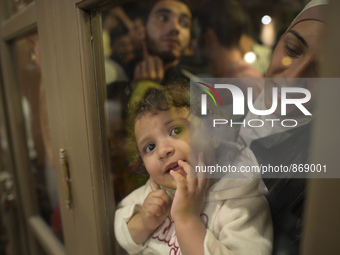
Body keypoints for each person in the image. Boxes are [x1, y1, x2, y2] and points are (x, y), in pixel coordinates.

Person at [114, 81, 272, 254]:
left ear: (214, 133)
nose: (162, 151)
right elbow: (122, 233)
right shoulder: (156, 192)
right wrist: (144, 222)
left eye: (176, 130)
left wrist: (187, 221)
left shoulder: (241, 205)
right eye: (150, 147)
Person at [238, 0, 328, 254]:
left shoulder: (317, 183)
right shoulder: (229, 107)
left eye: (322, 72)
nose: (294, 77)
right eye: (292, 48)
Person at [195, 0, 263, 103]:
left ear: (209, 37)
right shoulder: (246, 80)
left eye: (196, 35)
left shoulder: (238, 87)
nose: (193, 44)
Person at [133, 0, 193, 84]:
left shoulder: (196, 91)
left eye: (184, 23)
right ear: (141, 31)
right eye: (163, 18)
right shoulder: (115, 75)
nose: (175, 28)